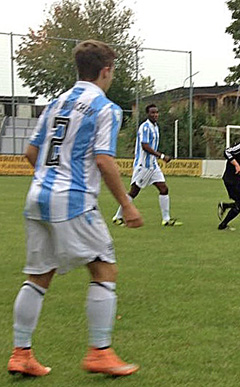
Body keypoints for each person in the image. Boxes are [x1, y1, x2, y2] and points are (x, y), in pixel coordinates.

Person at [7, 40, 143, 377]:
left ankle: (21, 353)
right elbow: (103, 159)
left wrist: (50, 178)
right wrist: (126, 204)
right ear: (106, 71)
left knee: (38, 276)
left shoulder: (56, 103)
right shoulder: (105, 107)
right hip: (74, 199)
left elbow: (30, 152)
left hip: (37, 197)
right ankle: (100, 352)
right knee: (104, 269)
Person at [112, 103, 182, 226]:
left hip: (153, 165)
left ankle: (166, 220)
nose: (155, 115)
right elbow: (145, 146)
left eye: (156, 112)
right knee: (134, 191)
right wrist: (161, 156)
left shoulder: (155, 127)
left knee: (163, 188)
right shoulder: (145, 127)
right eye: (152, 113)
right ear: (147, 114)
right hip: (143, 165)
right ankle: (117, 217)